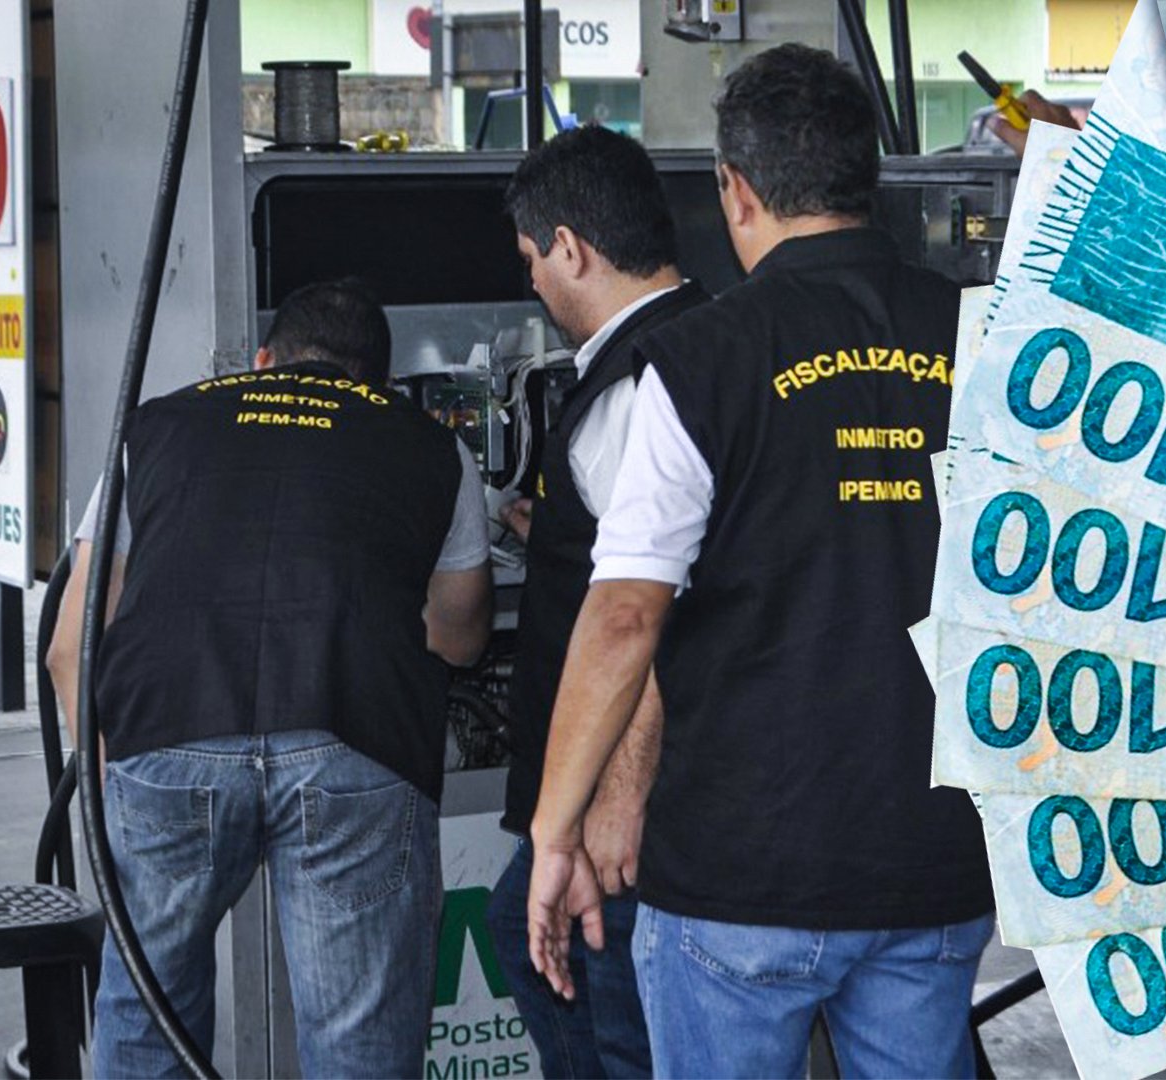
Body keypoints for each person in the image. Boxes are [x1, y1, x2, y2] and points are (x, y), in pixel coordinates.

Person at [526, 44, 996, 1078]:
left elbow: (623, 618)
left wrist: (557, 836)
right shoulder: (989, 341)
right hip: (941, 860)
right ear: (865, 178)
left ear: (733, 191)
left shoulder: (697, 363)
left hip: (743, 874)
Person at [48, 280, 493, 1078]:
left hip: (168, 729)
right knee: (358, 1044)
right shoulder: (430, 446)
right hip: (353, 734)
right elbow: (458, 638)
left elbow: (71, 645)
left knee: (146, 1017)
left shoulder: (151, 429)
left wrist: (119, 783)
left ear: (261, 362)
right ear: (377, 386)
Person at [487, 125, 708, 1079]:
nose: (534, 281)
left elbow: (642, 614)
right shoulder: (713, 336)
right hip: (706, 771)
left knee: (603, 999)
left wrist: (593, 809)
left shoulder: (629, 388)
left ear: (571, 248)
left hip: (636, 791)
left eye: (535, 259)